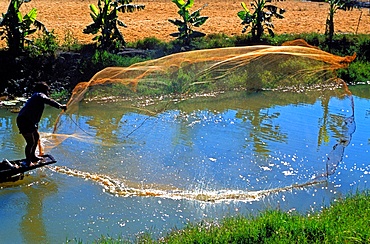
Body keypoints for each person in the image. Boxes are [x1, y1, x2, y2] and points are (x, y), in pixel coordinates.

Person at [16, 82, 67, 166]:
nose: (48, 92)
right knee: (30, 142)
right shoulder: (39, 95)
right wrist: (60, 106)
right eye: (47, 90)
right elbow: (48, 100)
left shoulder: (37, 96)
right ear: (43, 90)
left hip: (31, 121)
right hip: (24, 121)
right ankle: (27, 161)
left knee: (36, 137)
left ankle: (33, 156)